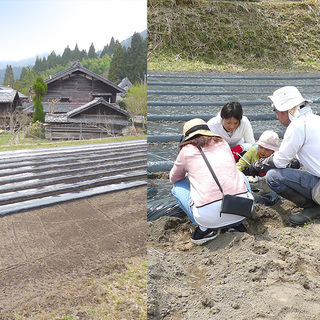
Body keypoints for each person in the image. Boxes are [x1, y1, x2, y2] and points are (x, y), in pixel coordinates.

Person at [170, 118, 254, 245]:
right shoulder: (223, 143)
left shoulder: (186, 150)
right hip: (243, 210)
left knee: (177, 187)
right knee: (239, 174)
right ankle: (234, 224)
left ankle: (205, 229)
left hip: (209, 218)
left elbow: (174, 178)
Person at [249, 86, 320, 225]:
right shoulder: (315, 120)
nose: (276, 116)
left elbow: (279, 162)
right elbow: (299, 159)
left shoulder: (297, 126)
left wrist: (256, 166)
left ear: (286, 111)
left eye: (277, 112)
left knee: (273, 177)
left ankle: (313, 207)